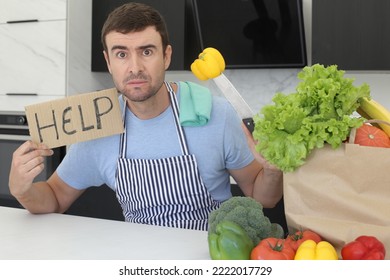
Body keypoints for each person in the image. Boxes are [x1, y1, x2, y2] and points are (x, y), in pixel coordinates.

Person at [9, 2, 283, 231]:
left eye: (147, 51)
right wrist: (22, 189)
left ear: (166, 56)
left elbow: (264, 199)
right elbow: (55, 198)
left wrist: (272, 170)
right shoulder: (98, 126)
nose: (135, 67)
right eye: (121, 54)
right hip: (138, 258)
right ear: (108, 61)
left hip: (213, 253)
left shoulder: (217, 114)